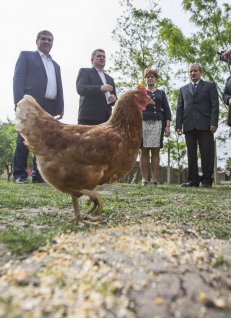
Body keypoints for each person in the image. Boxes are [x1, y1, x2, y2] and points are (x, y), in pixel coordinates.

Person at [13, 30, 64, 184]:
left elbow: (59, 87)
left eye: (50, 40)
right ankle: (20, 174)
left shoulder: (56, 65)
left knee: (44, 141)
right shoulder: (26, 56)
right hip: (30, 103)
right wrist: (18, 102)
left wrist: (60, 106)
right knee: (24, 137)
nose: (47, 42)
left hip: (49, 105)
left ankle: (39, 175)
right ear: (37, 41)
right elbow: (18, 78)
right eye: (44, 39)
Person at [176, 63, 219, 188]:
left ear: (201, 72)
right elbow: (180, 109)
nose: (192, 73)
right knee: (191, 154)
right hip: (189, 125)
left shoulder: (210, 86)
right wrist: (178, 125)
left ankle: (206, 180)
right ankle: (193, 180)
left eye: (195, 71)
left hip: (206, 125)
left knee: (207, 153)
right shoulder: (183, 89)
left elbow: (215, 105)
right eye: (190, 71)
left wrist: (213, 122)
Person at [140, 68, 171, 186]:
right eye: (147, 76)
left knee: (156, 150)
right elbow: (136, 108)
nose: (150, 78)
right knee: (143, 151)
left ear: (156, 79)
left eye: (152, 76)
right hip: (143, 122)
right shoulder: (141, 92)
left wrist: (167, 126)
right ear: (145, 79)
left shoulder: (161, 93)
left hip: (158, 123)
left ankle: (154, 180)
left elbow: (167, 110)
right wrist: (145, 103)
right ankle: (144, 179)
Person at [76, 49, 117, 125]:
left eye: (104, 57)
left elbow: (113, 100)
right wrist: (100, 88)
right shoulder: (85, 71)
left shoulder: (110, 78)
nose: (102, 58)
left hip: (107, 119)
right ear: (92, 60)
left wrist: (113, 99)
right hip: (89, 118)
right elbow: (80, 89)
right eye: (99, 56)